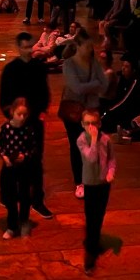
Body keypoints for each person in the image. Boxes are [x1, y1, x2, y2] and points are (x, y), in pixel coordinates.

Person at [0, 32, 53, 219]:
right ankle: (8, 195)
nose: (29, 50)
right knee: (12, 159)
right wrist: (13, 117)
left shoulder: (39, 67)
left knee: (36, 160)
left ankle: (37, 200)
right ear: (19, 47)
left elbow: (44, 93)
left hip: (35, 120)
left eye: (30, 46)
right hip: (16, 123)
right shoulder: (10, 69)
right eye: (25, 47)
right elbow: (4, 98)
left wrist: (41, 112)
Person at [61, 31, 109, 199]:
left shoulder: (93, 63)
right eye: (86, 46)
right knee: (76, 146)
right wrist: (95, 84)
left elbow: (104, 84)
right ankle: (79, 181)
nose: (90, 49)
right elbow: (77, 88)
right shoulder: (69, 64)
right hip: (73, 111)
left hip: (91, 111)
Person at [77, 108, 116, 274]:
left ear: (99, 124)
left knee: (99, 215)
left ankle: (93, 240)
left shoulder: (106, 139)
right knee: (91, 216)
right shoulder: (81, 140)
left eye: (94, 123)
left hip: (103, 183)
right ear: (82, 124)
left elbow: (112, 158)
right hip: (90, 184)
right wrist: (93, 139)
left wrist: (111, 172)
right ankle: (90, 252)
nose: (91, 127)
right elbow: (91, 158)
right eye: (87, 123)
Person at [0, 98, 39, 239]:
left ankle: (24, 222)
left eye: (25, 115)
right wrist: (5, 157)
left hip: (24, 168)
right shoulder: (6, 128)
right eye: (19, 114)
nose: (22, 118)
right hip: (9, 167)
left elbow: (33, 148)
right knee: (10, 197)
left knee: (25, 196)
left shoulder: (28, 129)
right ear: (12, 112)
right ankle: (12, 226)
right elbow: (0, 145)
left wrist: (25, 156)